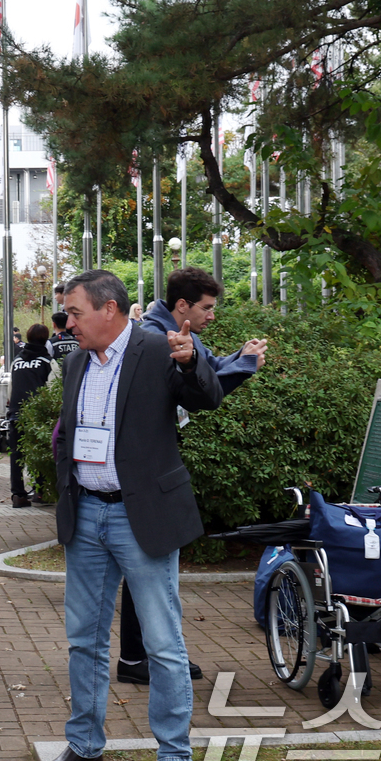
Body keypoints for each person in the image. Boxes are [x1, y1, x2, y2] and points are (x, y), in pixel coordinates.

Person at [31, 270, 222, 761]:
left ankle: (174, 756)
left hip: (141, 518)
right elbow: (68, 432)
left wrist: (191, 361)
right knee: (83, 641)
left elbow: (206, 397)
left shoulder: (159, 349)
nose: (66, 322)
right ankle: (85, 747)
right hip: (86, 516)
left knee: (162, 643)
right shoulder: (73, 363)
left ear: (108, 310)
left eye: (74, 312)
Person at [113, 267, 268, 686]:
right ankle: (141, 658)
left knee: (150, 567)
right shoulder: (158, 338)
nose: (211, 316)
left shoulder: (174, 331)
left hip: (150, 467)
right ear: (183, 305)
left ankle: (145, 657)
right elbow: (203, 393)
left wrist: (241, 357)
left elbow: (209, 369)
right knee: (148, 566)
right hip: (148, 470)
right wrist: (245, 365)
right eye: (207, 308)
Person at [7, 324, 53, 508]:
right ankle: (40, 491)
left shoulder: (16, 362)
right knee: (40, 454)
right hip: (37, 416)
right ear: (45, 339)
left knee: (16, 455)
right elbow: (52, 390)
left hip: (16, 413)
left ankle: (18, 494)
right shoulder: (47, 362)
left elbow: (11, 390)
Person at [47, 311, 80, 380]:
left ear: (54, 324)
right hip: (75, 375)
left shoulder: (51, 343)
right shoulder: (76, 341)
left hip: (58, 379)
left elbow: (48, 361)